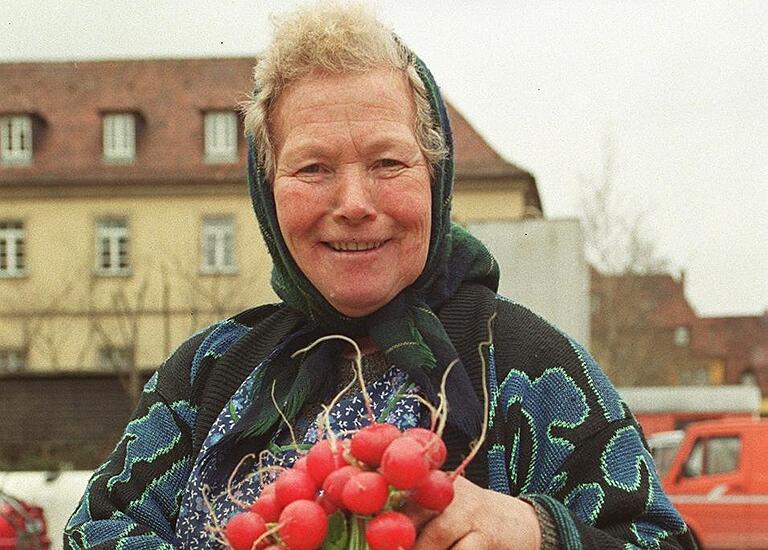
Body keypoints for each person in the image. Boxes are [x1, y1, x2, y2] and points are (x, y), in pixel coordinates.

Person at [65, 4, 695, 549]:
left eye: (387, 161)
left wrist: (537, 531)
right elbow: (91, 532)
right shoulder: (207, 375)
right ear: (267, 192)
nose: (355, 202)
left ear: (434, 177)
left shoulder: (536, 371)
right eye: (312, 168)